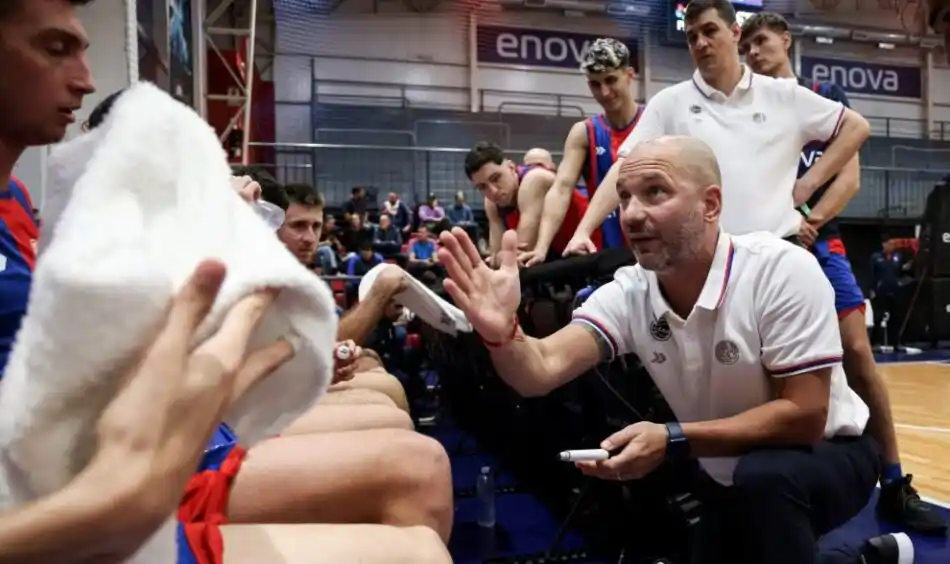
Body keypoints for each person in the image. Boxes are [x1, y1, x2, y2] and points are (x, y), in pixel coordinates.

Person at [0, 3, 453, 562]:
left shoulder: (20, 208)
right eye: (54, 49)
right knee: (415, 475)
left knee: (403, 440)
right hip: (97, 507)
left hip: (133, 473)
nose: (84, 79)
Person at [438, 136, 913, 564]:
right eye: (623, 198)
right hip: (723, 464)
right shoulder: (629, 291)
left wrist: (673, 438)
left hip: (826, 451)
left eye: (655, 193)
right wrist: (502, 335)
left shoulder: (781, 269)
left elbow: (805, 414)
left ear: (710, 204)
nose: (631, 213)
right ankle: (870, 557)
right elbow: (537, 371)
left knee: (767, 481)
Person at [739, 12, 946, 536]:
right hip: (762, 245)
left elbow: (849, 176)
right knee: (767, 370)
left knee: (857, 353)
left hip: (817, 240)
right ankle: (786, 491)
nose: (755, 53)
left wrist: (808, 217)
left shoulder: (821, 92)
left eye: (761, 41)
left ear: (785, 40)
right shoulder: (743, 109)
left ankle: (895, 484)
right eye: (747, 48)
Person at [563, 0, 870, 255]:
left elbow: (855, 127)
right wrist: (583, 231)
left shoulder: (783, 95)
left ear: (735, 32)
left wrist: (809, 184)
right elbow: (625, 165)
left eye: (710, 31)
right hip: (703, 261)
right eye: (692, 36)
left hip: (779, 254)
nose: (701, 43)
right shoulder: (670, 102)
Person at [526, 38, 643, 266]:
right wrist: (541, 248)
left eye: (611, 80)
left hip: (651, 250)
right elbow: (561, 188)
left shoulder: (653, 120)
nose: (605, 92)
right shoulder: (584, 132)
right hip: (603, 255)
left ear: (629, 76)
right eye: (595, 84)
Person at [465, 141, 598, 267]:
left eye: (496, 178)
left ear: (511, 167)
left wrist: (501, 257)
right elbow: (497, 256)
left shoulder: (534, 180)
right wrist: (500, 257)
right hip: (567, 253)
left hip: (599, 242)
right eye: (482, 187)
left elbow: (523, 250)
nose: (493, 191)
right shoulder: (491, 202)